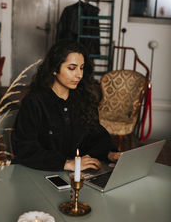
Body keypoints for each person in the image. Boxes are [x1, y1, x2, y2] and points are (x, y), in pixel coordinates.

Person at [11, 40, 120, 171]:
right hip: (38, 173)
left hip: (74, 176)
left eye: (81, 68)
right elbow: (24, 148)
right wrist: (66, 163)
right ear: (54, 69)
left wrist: (109, 153)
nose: (79, 75)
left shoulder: (83, 99)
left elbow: (94, 136)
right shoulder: (34, 102)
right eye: (72, 68)